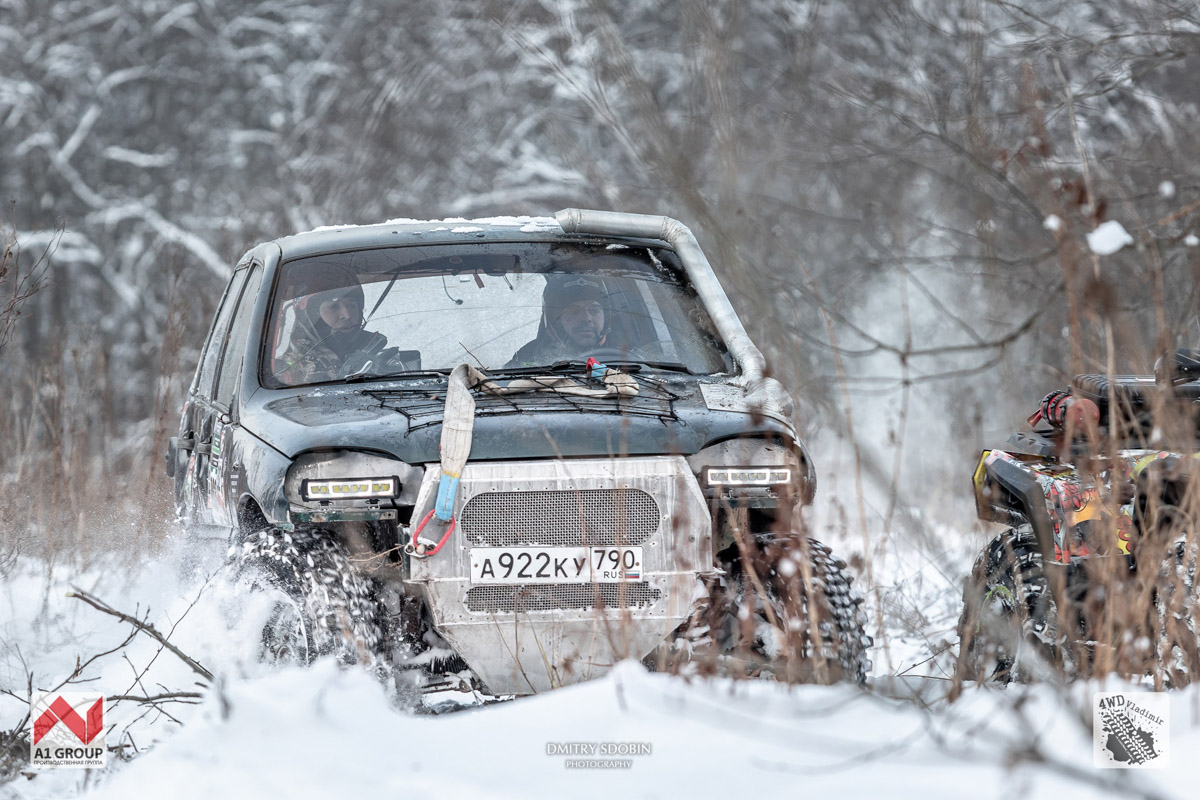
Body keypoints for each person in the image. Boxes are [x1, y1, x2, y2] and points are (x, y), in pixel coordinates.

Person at [277, 279, 388, 384]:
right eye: (333, 306)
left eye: (351, 305)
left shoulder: (380, 355)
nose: (347, 315)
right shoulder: (288, 369)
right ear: (311, 315)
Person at [508, 274, 626, 366]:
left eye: (594, 311)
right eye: (574, 312)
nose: (586, 318)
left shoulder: (626, 352)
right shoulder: (528, 357)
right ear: (555, 322)